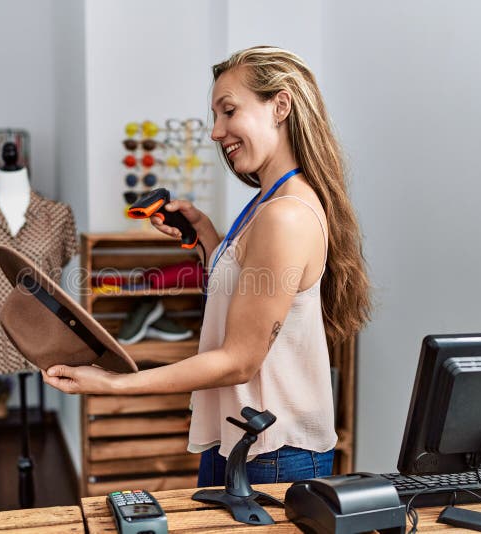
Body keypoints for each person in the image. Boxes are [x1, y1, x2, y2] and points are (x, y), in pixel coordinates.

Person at [43, 46, 371, 486]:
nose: (216, 132)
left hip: (273, 453)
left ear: (280, 106)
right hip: (240, 438)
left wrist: (113, 383)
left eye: (228, 111)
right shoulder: (267, 203)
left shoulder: (285, 214)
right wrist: (208, 237)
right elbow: (245, 292)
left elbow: (239, 361)